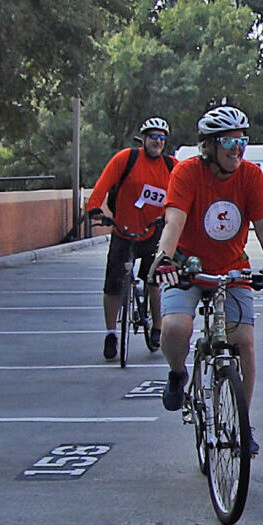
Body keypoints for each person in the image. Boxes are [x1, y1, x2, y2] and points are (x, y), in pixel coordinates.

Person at [149, 106, 263, 452]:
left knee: (244, 342)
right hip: (186, 266)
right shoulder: (186, 173)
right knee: (176, 327)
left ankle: (243, 423)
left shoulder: (252, 176)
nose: (236, 149)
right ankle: (179, 372)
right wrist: (163, 258)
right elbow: (174, 222)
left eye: (241, 141)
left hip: (231, 269)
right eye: (228, 141)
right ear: (209, 146)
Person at [85, 118, 175, 357]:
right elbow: (103, 185)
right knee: (114, 284)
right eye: (153, 136)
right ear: (143, 139)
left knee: (154, 281)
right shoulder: (127, 159)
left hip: (154, 232)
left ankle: (157, 326)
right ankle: (111, 333)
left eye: (162, 137)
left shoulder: (171, 166)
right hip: (123, 231)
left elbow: (185, 191)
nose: (157, 141)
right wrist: (95, 208)